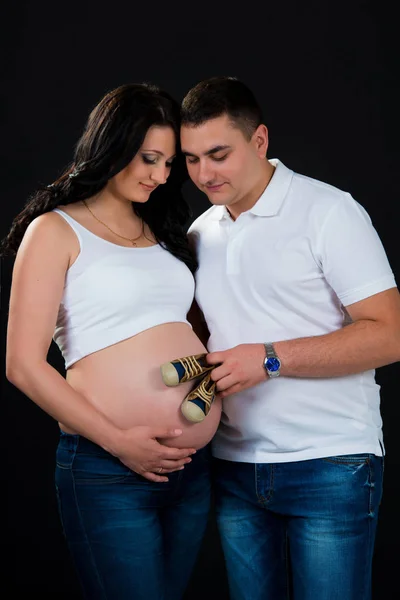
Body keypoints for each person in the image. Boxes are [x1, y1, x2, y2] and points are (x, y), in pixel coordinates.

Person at [180, 75, 400, 600]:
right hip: (235, 467)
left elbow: (389, 335)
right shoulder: (200, 233)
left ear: (259, 140)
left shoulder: (328, 212)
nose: (204, 174)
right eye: (190, 159)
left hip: (330, 462)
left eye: (218, 154)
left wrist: (270, 358)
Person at [3, 82, 222, 600]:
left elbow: (188, 328)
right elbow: (22, 365)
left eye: (169, 163)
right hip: (110, 468)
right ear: (112, 145)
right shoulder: (55, 231)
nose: (160, 175)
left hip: (191, 472)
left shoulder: (163, 232)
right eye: (148, 158)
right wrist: (121, 442)